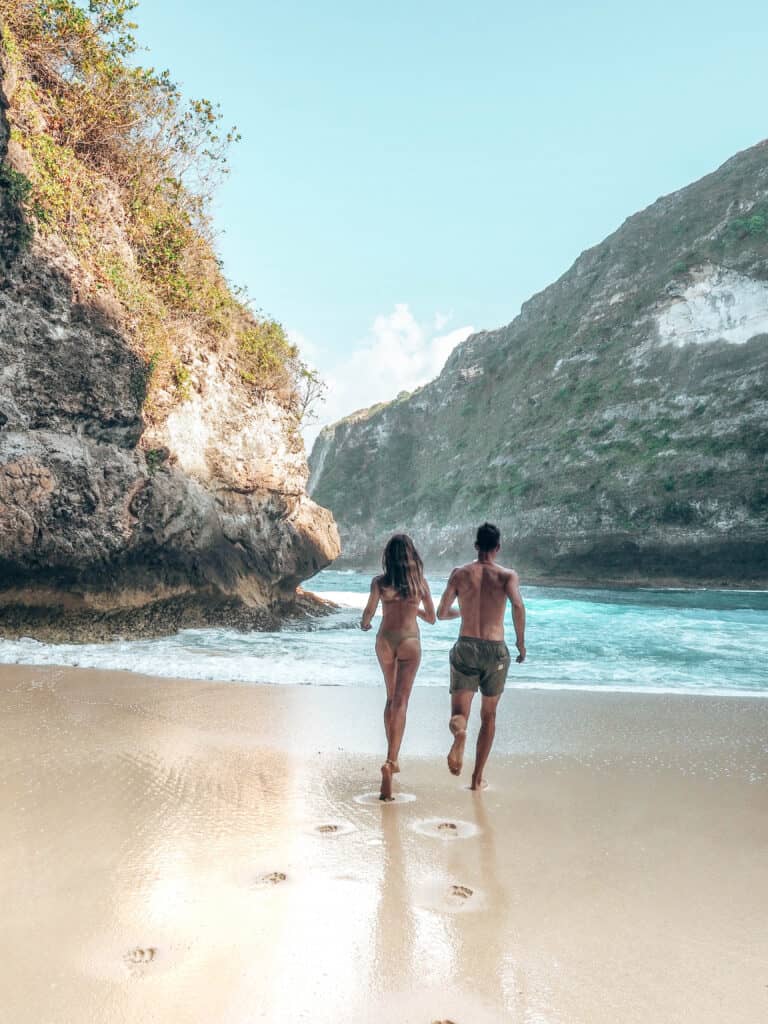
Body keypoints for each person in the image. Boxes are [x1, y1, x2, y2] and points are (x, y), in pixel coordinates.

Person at [436, 522, 526, 790]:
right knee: (489, 716)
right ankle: (477, 779)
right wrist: (521, 644)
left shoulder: (459, 574)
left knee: (459, 714)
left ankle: (460, 732)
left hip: (466, 647)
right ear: (498, 548)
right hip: (495, 650)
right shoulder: (507, 576)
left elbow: (441, 613)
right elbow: (518, 607)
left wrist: (464, 613)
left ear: (476, 546)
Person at [361, 534, 436, 800]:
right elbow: (432, 618)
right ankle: (392, 760)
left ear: (388, 558)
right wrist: (411, 609)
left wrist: (366, 623)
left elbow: (368, 614)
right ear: (411, 557)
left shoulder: (379, 583)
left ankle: (390, 752)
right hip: (409, 642)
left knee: (391, 698)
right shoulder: (420, 584)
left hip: (385, 642)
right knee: (402, 702)